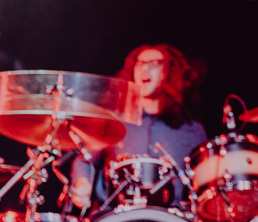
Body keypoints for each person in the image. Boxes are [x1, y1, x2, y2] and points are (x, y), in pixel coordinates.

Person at [70, 44, 208, 212]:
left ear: (170, 71)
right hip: (115, 215)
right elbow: (85, 159)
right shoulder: (113, 120)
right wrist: (82, 183)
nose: (145, 69)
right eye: (140, 63)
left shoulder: (191, 128)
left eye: (154, 63)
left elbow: (205, 181)